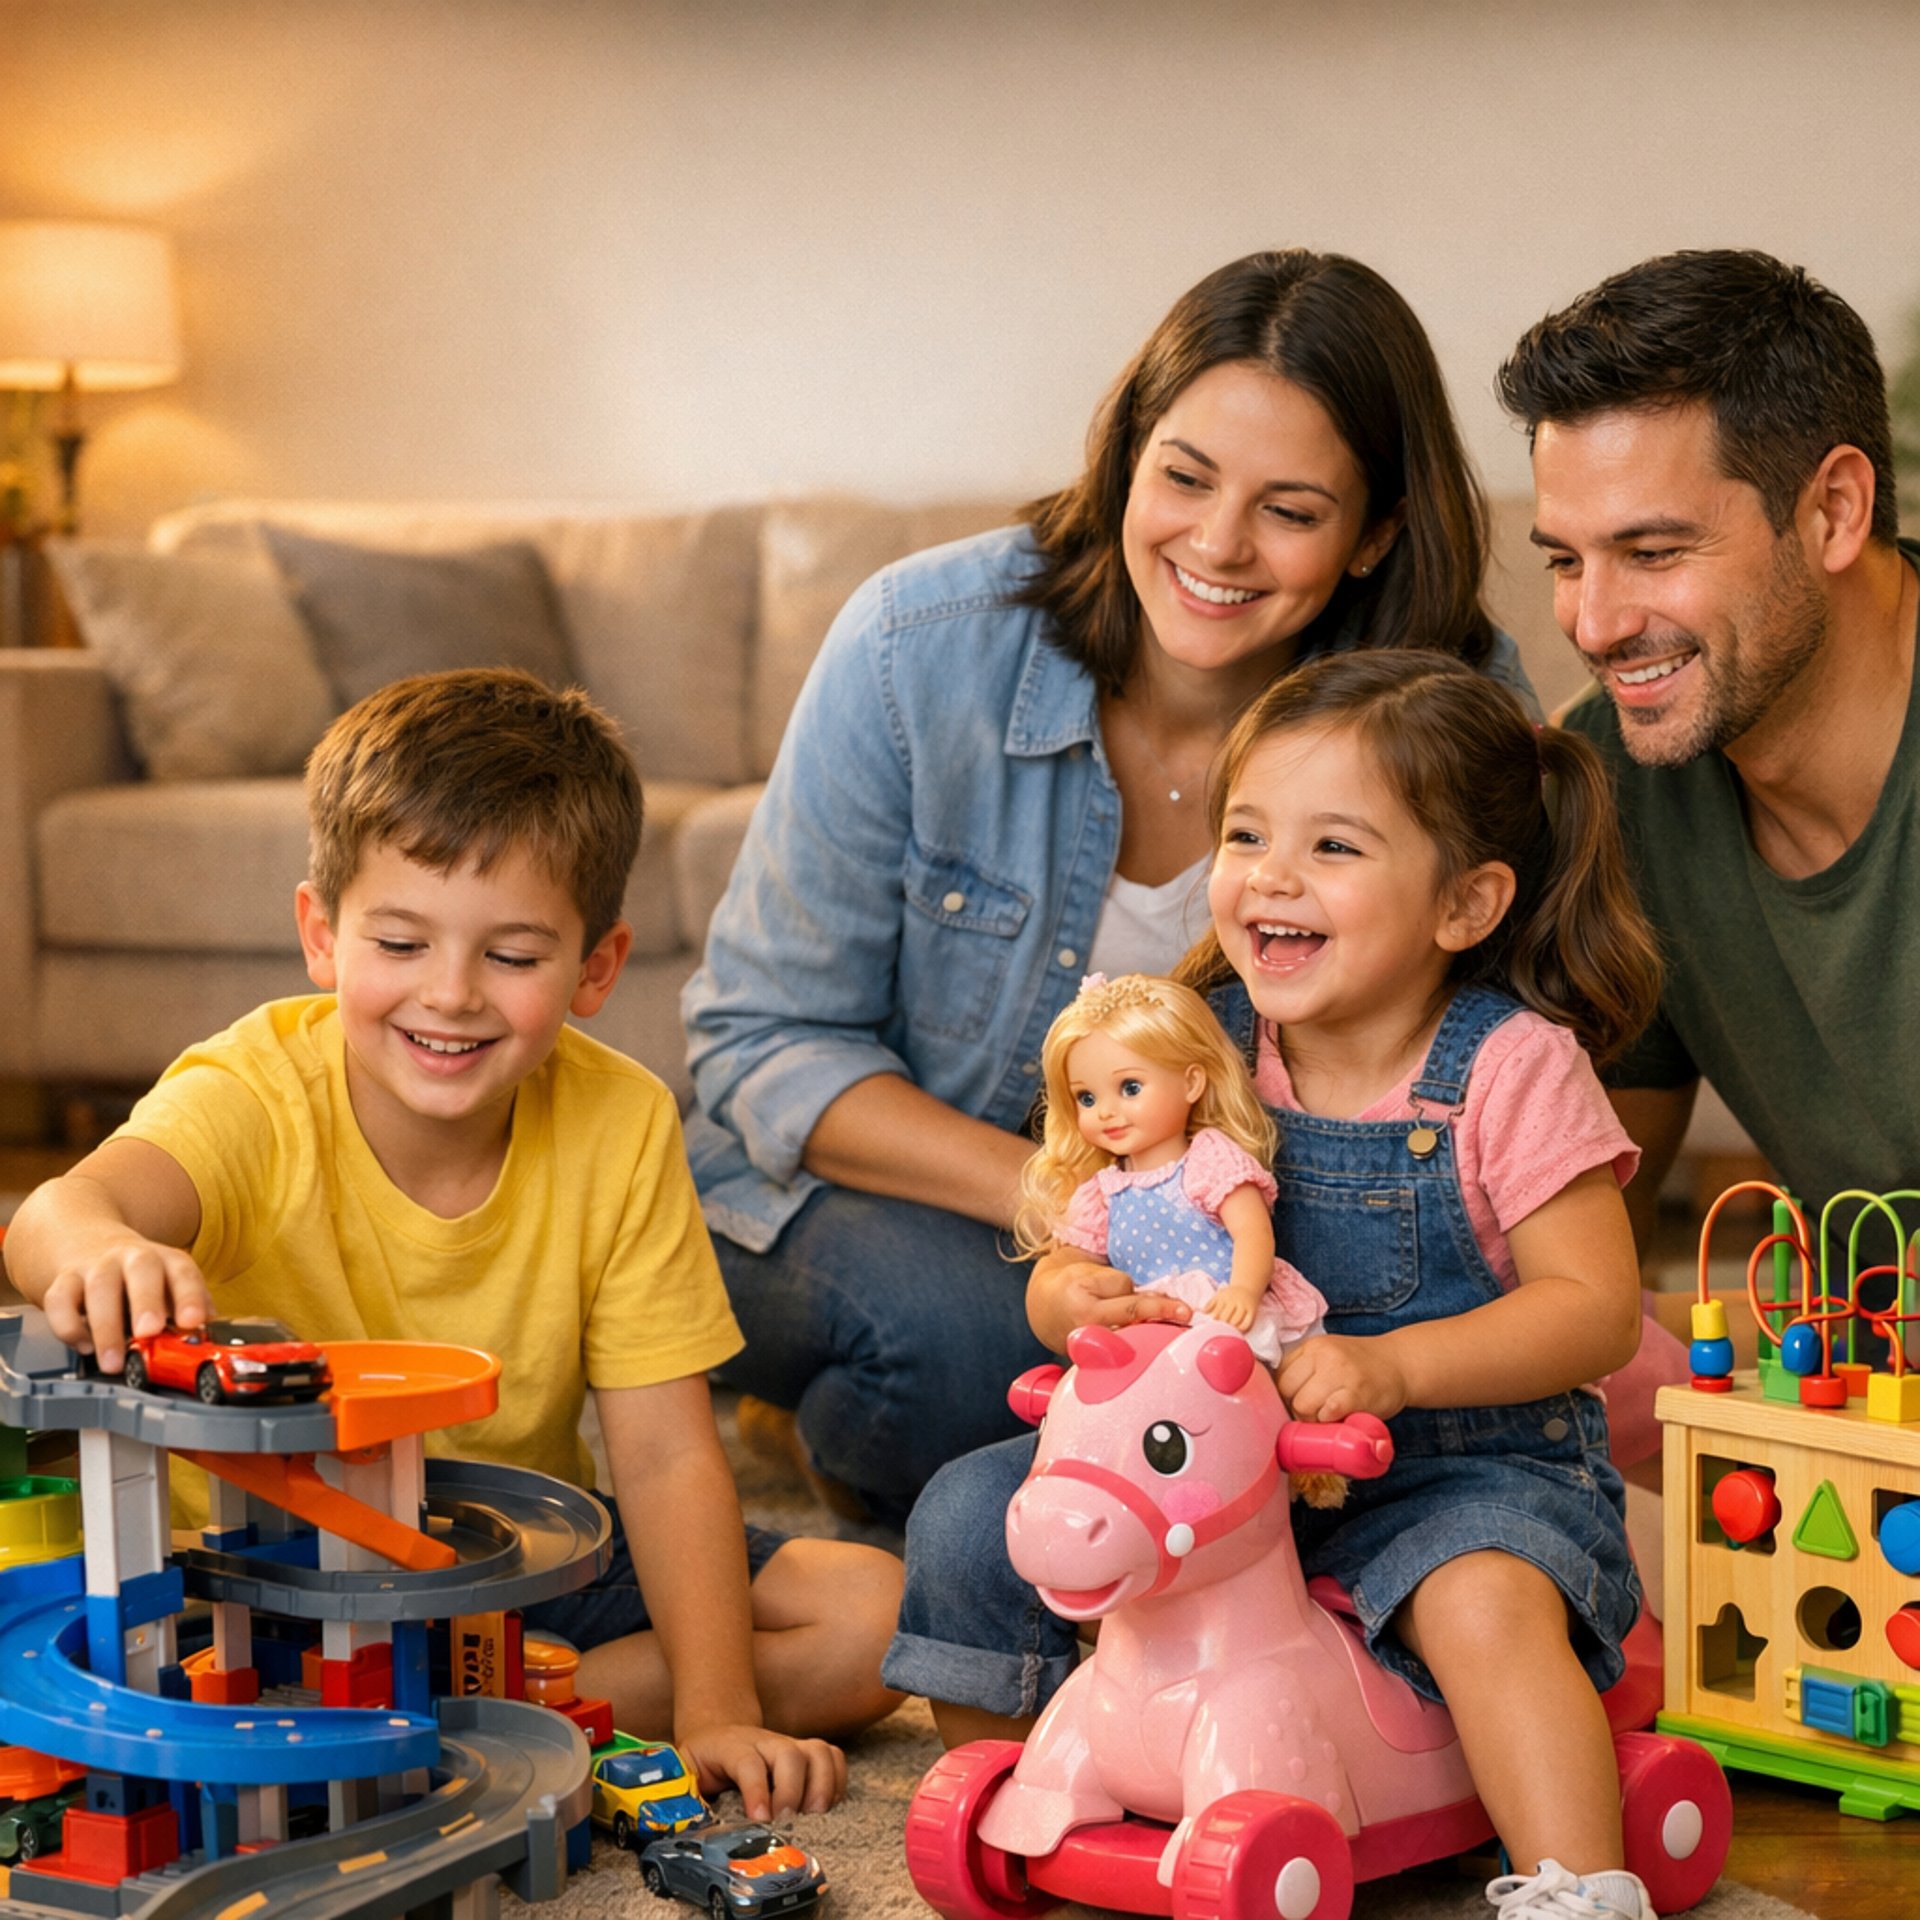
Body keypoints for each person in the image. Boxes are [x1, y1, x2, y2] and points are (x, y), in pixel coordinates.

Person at [683, 249, 1537, 1528]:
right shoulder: (918, 645)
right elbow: (759, 1043)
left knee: (1331, 1405)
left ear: (1375, 536)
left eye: (1292, 511)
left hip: (1231, 1231)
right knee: (983, 1357)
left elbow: (1492, 1041)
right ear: (1127, 451)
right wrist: (1072, 1199)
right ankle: (842, 1441)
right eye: (1184, 477)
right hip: (876, 1189)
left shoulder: (1447, 708)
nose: (1216, 543)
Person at [2, 668, 902, 1824]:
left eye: (514, 957)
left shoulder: (622, 1122)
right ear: (323, 936)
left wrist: (720, 1708)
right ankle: (459, 1728)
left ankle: (399, 1733)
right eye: (402, 941)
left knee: (875, 1616)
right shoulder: (254, 1087)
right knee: (147, 1679)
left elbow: (670, 1456)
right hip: (258, 1590)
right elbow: (50, 1216)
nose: (453, 994)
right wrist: (105, 1249)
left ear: (595, 969)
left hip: (515, 1559)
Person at [887, 650, 1671, 1920]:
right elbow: (1077, 1230)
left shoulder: (1511, 1069)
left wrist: (1402, 1365)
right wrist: (1069, 1299)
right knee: (980, 1520)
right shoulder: (1194, 1043)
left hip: (1458, 1465)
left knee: (1479, 1599)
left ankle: (1580, 1885)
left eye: (1335, 847)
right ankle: (1040, 1804)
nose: (1272, 875)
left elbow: (1590, 1308)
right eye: (1246, 830)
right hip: (1203, 1472)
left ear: (1464, 904)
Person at [1497, 248, 1920, 1264]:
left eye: (1653, 554)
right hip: (1853, 1411)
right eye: (1565, 559)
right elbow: (1591, 1237)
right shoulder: (1613, 780)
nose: (1593, 624)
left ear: (1833, 511)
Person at [1014, 970, 1326, 1365]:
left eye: (1130, 1088)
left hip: (1220, 1312)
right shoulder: (1103, 1193)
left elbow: (1253, 1231)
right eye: (1087, 1098)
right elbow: (1075, 1261)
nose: (1106, 1110)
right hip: (1149, 1333)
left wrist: (1244, 1291)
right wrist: (1060, 1291)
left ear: (1191, 1083)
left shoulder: (1207, 1160)